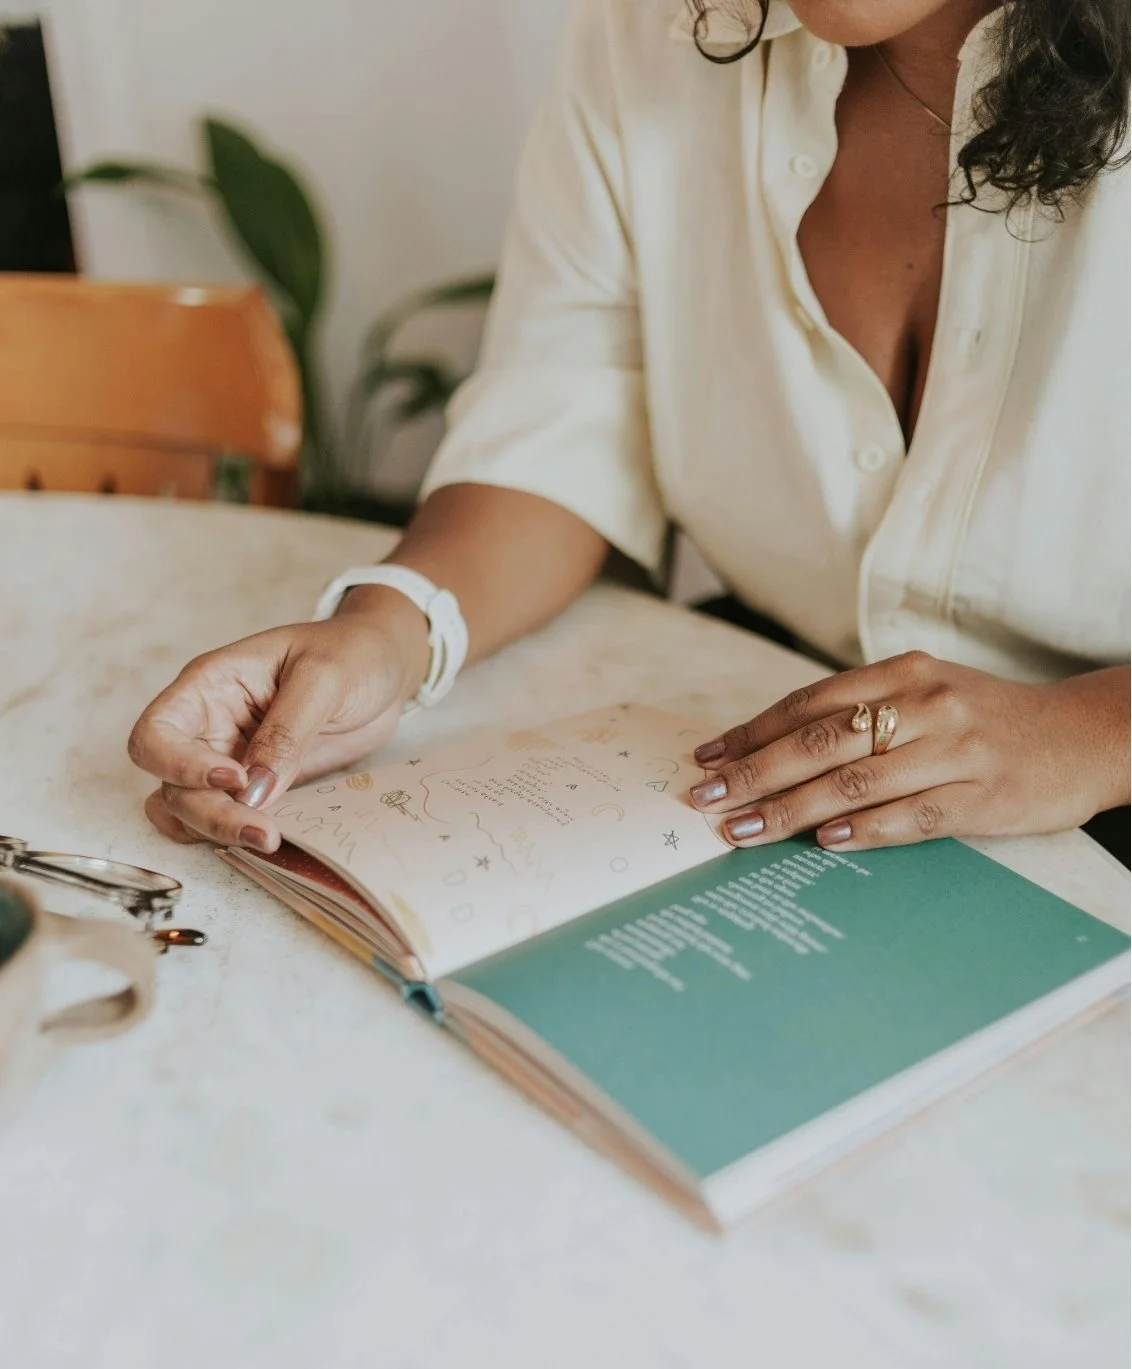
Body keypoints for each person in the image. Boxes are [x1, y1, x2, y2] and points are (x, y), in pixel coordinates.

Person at [128, 0, 1130, 864]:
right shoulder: (653, 30)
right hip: (779, 722)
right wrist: (387, 633)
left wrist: (1083, 734)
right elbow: (575, 407)